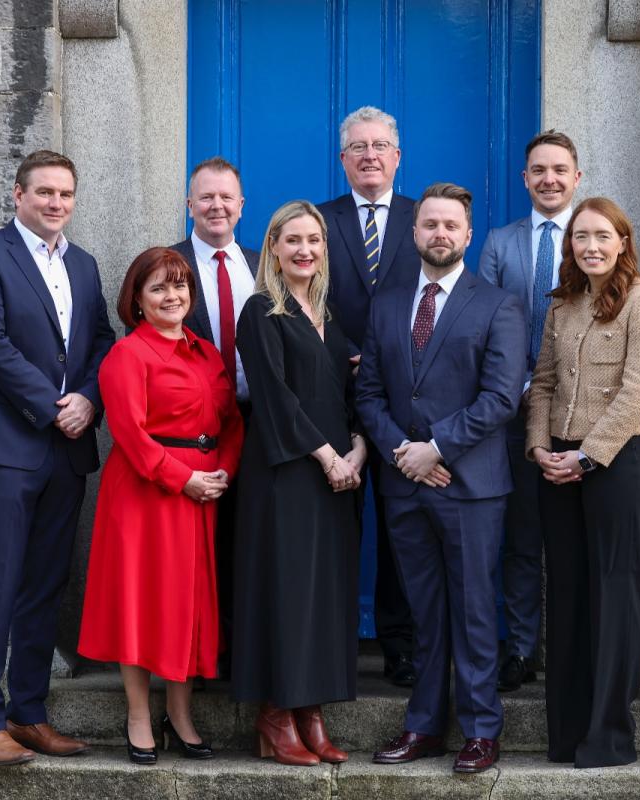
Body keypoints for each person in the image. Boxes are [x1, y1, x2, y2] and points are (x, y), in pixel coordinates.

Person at [357, 183, 527, 774]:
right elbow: (369, 393)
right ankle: (424, 724)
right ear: (414, 232)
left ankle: (482, 729)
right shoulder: (387, 303)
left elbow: (502, 397)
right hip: (405, 481)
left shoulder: (498, 304)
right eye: (430, 224)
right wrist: (404, 451)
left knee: (475, 606)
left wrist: (437, 448)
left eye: (451, 225)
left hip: (470, 484)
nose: (440, 234)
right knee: (424, 609)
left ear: (468, 233)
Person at [0, 149, 115, 766]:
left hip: (67, 449)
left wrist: (90, 401)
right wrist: (54, 405)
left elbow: (102, 340)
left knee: (46, 585)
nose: (56, 204)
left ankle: (28, 714)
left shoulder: (85, 264)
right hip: (7, 447)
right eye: (44, 192)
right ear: (18, 196)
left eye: (66, 195)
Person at [77, 248, 242, 764]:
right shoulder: (128, 355)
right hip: (147, 495)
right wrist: (182, 478)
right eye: (159, 289)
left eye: (179, 287)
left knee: (188, 605)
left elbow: (232, 421)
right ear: (138, 301)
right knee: (141, 603)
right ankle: (138, 715)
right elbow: (128, 434)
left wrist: (223, 472)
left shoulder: (207, 353)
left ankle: (180, 712)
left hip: (202, 493)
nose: (172, 297)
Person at [526, 197, 640, 767]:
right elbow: (541, 383)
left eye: (602, 236)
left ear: (623, 241)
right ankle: (566, 733)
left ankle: (609, 735)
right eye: (580, 237)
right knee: (566, 592)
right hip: (555, 465)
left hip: (616, 463)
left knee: (613, 591)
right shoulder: (562, 306)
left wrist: (587, 456)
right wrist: (539, 448)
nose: (591, 246)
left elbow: (639, 391)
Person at [230, 200, 365, 767]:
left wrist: (357, 450)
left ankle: (312, 711)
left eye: (314, 240)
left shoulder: (329, 315)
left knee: (325, 595)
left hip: (338, 474)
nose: (304, 249)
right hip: (287, 472)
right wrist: (330, 456)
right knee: (287, 591)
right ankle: (277, 715)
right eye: (293, 241)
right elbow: (275, 400)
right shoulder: (261, 311)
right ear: (274, 249)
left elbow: (350, 390)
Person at [318, 105, 420, 687]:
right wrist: (346, 349)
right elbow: (305, 288)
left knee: (401, 525)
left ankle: (400, 644)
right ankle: (330, 641)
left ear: (397, 156)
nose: (370, 155)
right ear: (343, 160)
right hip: (334, 389)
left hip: (405, 397)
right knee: (335, 520)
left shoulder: (419, 217)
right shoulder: (321, 219)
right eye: (358, 147)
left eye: (380, 145)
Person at [478, 130, 584, 691]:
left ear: (576, 178)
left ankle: (570, 649)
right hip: (517, 410)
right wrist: (515, 386)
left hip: (583, 415)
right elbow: (489, 320)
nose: (549, 179)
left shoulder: (595, 237)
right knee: (521, 537)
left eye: (559, 169)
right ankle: (520, 649)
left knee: (573, 538)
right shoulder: (500, 242)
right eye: (539, 170)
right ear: (525, 179)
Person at [171, 156, 260, 679]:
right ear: (189, 205)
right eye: (206, 197)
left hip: (256, 422)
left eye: (227, 197)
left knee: (244, 543)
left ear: (242, 205)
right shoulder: (170, 264)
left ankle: (236, 653)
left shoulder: (262, 262)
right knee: (195, 553)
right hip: (193, 434)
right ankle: (197, 659)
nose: (217, 206)